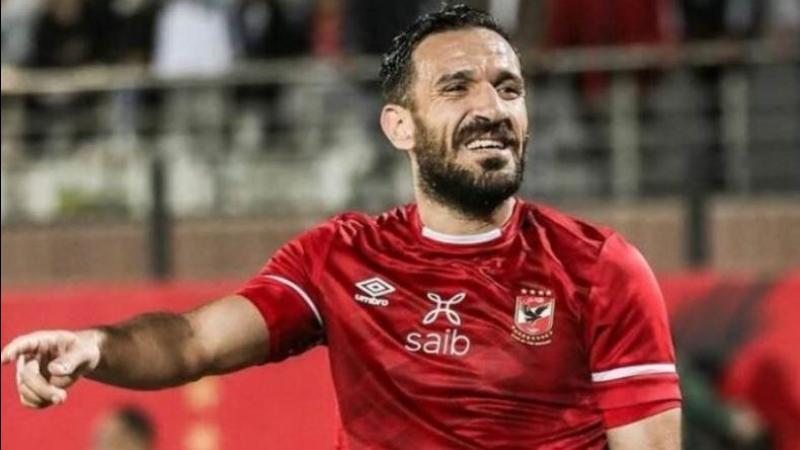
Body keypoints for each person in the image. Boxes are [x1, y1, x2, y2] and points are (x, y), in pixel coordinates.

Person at [1, 4, 682, 449]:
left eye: (508, 87)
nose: (492, 107)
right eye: (457, 87)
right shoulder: (340, 258)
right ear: (400, 126)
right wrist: (95, 345)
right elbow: (193, 342)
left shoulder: (599, 268)